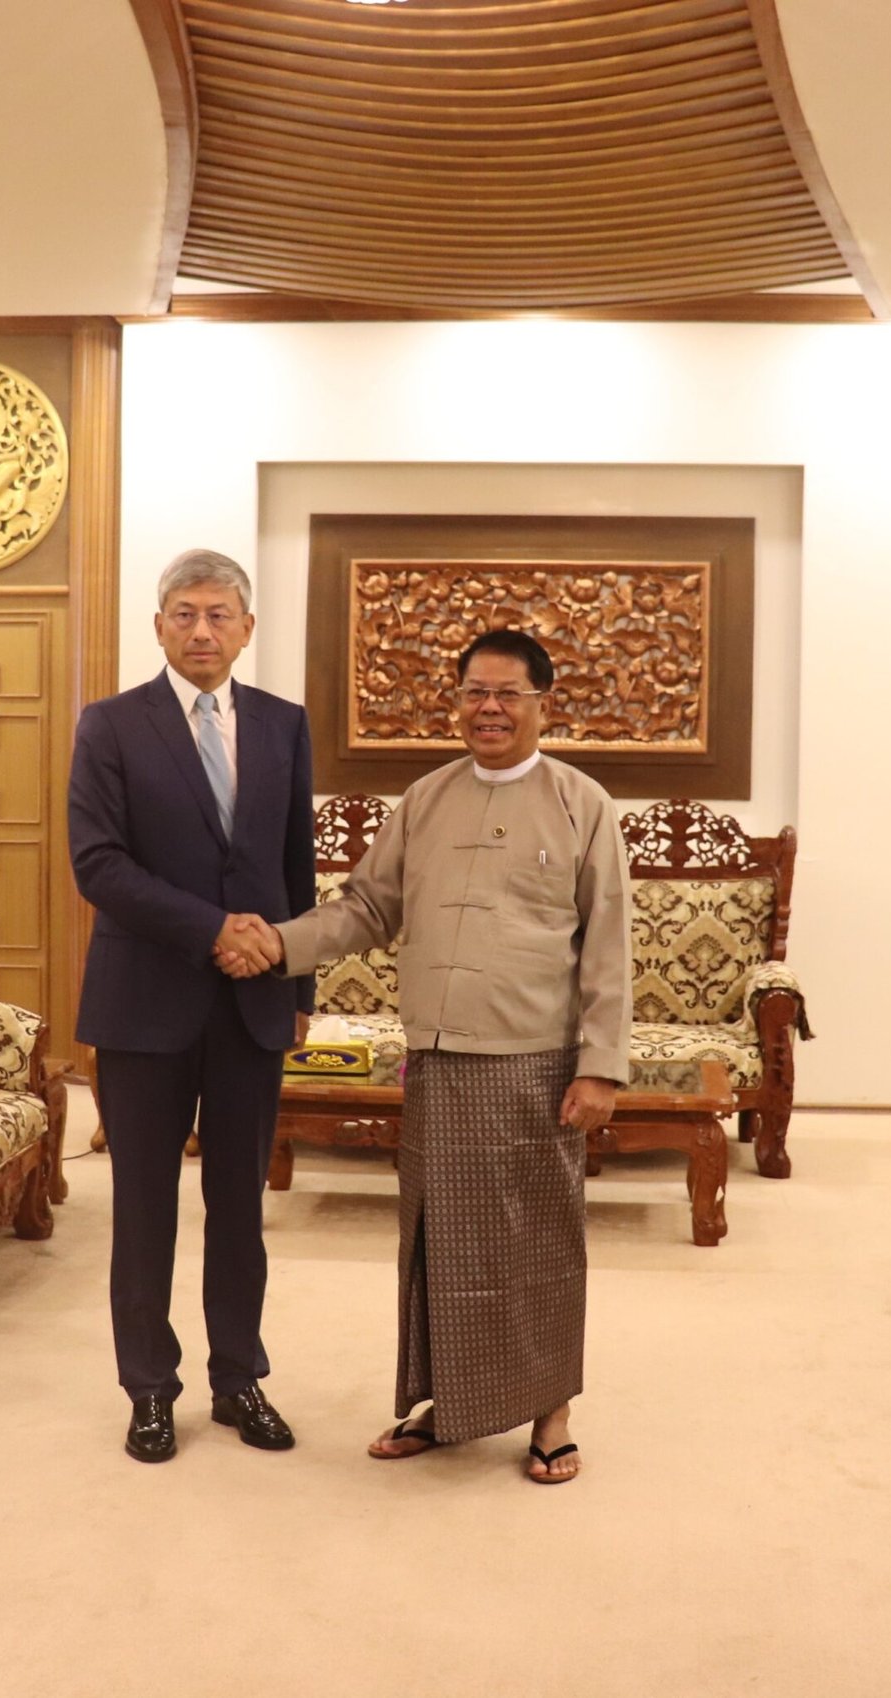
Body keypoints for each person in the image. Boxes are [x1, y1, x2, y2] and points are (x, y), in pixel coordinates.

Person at [217, 629, 631, 1484]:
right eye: (474, 691)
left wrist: (600, 1066)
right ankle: (452, 1403)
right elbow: (367, 908)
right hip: (438, 1055)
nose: (488, 708)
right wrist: (278, 945)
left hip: (536, 1060)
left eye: (508, 693)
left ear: (542, 705)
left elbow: (608, 948)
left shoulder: (581, 803)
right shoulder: (426, 798)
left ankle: (551, 1412)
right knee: (439, 1243)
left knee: (539, 1241)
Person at [68, 548, 314, 1464]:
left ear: (247, 629)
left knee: (239, 1209)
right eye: (184, 613)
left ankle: (238, 1379)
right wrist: (213, 927)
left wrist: (298, 985)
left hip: (254, 1007)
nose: (201, 630)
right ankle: (149, 1389)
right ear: (159, 624)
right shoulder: (111, 725)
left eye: (219, 614)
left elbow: (297, 869)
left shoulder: (285, 726)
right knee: (144, 1209)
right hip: (143, 1005)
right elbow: (99, 865)